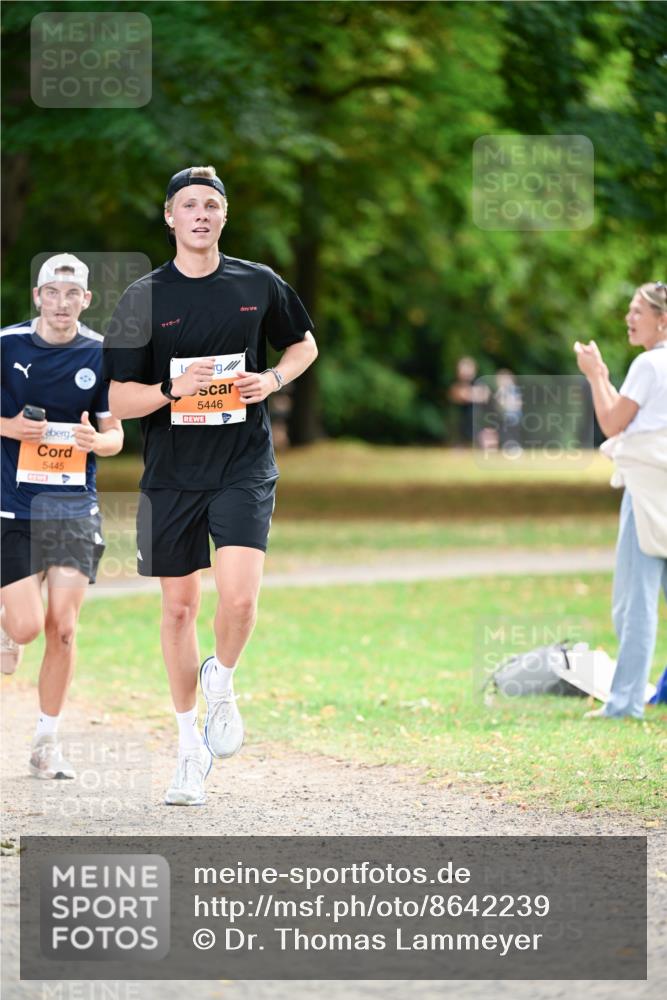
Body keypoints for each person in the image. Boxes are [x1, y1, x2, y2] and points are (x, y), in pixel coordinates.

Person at [104, 165, 318, 806]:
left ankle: (220, 681)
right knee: (178, 609)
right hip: (170, 475)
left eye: (212, 205)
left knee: (241, 601)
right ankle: (186, 750)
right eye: (188, 205)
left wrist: (273, 381)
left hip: (242, 464)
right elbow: (117, 399)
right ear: (169, 217)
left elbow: (303, 346)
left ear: (224, 217)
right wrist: (174, 389)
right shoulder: (141, 299)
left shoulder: (258, 283)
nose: (201, 214)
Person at [0, 253, 124, 775]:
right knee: (28, 628)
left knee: (64, 629)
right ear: (37, 296)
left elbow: (115, 434)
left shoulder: (100, 353)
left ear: (86, 300)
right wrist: (10, 428)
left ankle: (45, 743)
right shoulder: (7, 344)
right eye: (52, 291)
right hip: (13, 506)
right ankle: (8, 629)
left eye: (72, 294)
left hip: (74, 507)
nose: (61, 302)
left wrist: (100, 439)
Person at [574, 281, 667, 719]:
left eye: (638, 312)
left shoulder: (649, 365)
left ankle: (626, 702)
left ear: (661, 320)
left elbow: (613, 424)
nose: (629, 318)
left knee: (635, 600)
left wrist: (595, 374)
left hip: (648, 490)